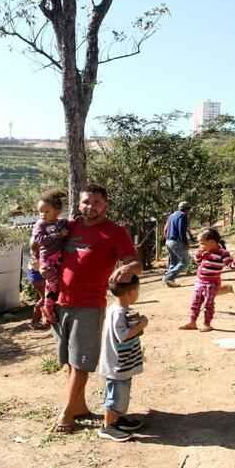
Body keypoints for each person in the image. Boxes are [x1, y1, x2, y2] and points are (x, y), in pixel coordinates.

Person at [52, 184, 142, 433]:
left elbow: (136, 264)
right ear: (78, 204)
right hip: (60, 304)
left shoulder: (115, 232)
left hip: (89, 306)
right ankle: (79, 407)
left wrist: (125, 269)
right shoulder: (69, 228)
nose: (90, 207)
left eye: (96, 202)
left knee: (81, 363)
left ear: (106, 205)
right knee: (70, 362)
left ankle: (67, 415)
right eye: (85, 202)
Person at [97, 276, 148, 442]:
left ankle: (118, 419)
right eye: (137, 290)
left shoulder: (119, 310)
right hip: (116, 365)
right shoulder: (118, 312)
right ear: (130, 292)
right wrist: (141, 324)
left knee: (122, 393)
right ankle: (107, 426)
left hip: (123, 363)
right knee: (115, 396)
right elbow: (123, 336)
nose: (138, 293)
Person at [179, 228, 235, 332]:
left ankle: (207, 324)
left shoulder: (223, 253)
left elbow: (231, 265)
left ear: (212, 242)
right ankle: (192, 322)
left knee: (208, 304)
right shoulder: (204, 251)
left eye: (202, 243)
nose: (201, 246)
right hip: (200, 281)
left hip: (212, 283)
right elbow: (198, 261)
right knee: (195, 302)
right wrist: (198, 255)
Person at [30, 189, 69, 324]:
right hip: (47, 260)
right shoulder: (40, 225)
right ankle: (47, 309)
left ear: (57, 211)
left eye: (46, 211)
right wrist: (57, 235)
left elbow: (67, 225)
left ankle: (53, 307)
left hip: (58, 258)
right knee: (51, 285)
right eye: (40, 211)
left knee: (57, 284)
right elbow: (39, 240)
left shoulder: (59, 223)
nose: (42, 215)